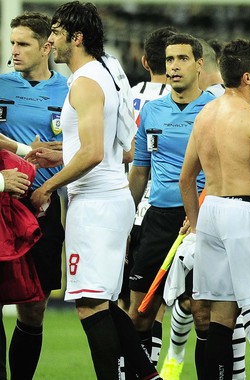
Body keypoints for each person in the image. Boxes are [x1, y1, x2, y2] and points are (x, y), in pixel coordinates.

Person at [30, 2, 160, 379]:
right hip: (105, 199)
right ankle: (150, 377)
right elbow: (109, 146)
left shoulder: (86, 82)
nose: (50, 39)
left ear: (77, 37)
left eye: (56, 32)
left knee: (89, 305)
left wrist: (47, 188)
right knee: (99, 303)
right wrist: (57, 153)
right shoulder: (100, 75)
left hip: (96, 204)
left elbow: (93, 152)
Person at [180, 38, 250, 380]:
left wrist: (197, 228)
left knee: (221, 317)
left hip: (211, 211)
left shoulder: (204, 115)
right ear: (247, 77)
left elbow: (186, 180)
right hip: (247, 211)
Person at [126, 32, 214, 374]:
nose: (174, 67)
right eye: (169, 61)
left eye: (182, 59)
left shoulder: (214, 110)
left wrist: (200, 213)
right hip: (159, 219)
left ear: (199, 64)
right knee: (140, 312)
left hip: (202, 219)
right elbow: (139, 172)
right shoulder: (151, 111)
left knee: (202, 310)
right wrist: (126, 219)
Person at [0, 12, 68, 379]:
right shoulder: (0, 85)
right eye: (13, 42)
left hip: (42, 203)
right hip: (1, 203)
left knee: (35, 306)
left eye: (23, 43)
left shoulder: (71, 92)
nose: (14, 50)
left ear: (46, 47)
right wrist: (26, 150)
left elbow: (86, 149)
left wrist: (51, 186)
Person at [122, 25, 176, 368]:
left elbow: (126, 153)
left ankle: (137, 368)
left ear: (144, 60)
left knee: (138, 303)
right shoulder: (191, 99)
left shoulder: (128, 95)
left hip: (137, 210)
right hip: (182, 211)